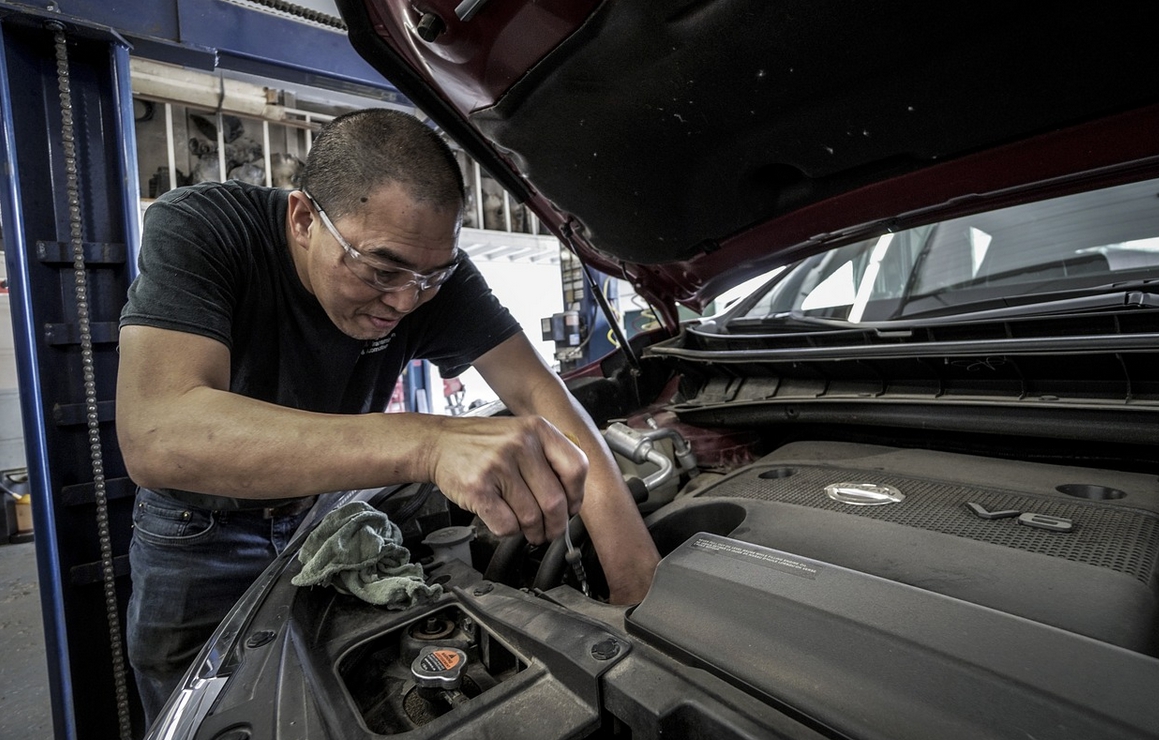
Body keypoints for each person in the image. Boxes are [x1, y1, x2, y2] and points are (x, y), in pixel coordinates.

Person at [116, 108, 660, 725]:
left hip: (324, 516)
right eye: (381, 270)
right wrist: (428, 444)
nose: (406, 300)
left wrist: (636, 584)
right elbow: (158, 433)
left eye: (432, 275)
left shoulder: (429, 276)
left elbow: (541, 395)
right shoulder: (205, 228)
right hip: (198, 531)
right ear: (302, 219)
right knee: (199, 714)